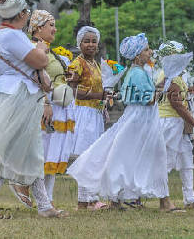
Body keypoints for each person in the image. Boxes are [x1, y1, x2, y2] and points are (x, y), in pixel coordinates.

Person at [0, 0, 67, 218]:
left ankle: (44, 205)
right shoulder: (12, 36)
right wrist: (42, 48)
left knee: (30, 150)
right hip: (19, 97)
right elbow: (41, 60)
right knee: (13, 152)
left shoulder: (0, 34)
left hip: (10, 95)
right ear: (22, 13)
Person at [68, 33, 179, 212]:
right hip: (141, 119)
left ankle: (118, 199)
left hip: (141, 118)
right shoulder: (137, 74)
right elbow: (148, 100)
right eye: (146, 49)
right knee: (154, 156)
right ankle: (163, 202)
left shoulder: (138, 72)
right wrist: (164, 86)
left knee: (125, 156)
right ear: (137, 56)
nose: (150, 52)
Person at [24, 10, 75, 207]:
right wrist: (45, 102)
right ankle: (41, 199)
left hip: (59, 107)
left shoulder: (49, 49)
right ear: (38, 28)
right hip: (45, 108)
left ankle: (48, 200)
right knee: (43, 156)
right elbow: (35, 77)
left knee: (52, 156)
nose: (55, 29)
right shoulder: (34, 48)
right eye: (50, 25)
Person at [156, 41, 194, 209]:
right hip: (170, 122)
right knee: (167, 161)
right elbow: (177, 105)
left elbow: (178, 97)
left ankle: (190, 198)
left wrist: (189, 90)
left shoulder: (177, 75)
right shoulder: (169, 76)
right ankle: (163, 201)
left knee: (187, 159)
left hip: (178, 123)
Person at [67, 26, 109, 210]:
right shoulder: (77, 63)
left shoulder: (96, 64)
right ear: (80, 44)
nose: (91, 44)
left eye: (94, 41)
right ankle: (89, 199)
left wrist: (103, 103)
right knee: (86, 157)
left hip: (95, 113)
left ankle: (86, 201)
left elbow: (99, 91)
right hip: (82, 112)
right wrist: (96, 95)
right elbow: (72, 90)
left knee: (93, 157)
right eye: (87, 41)